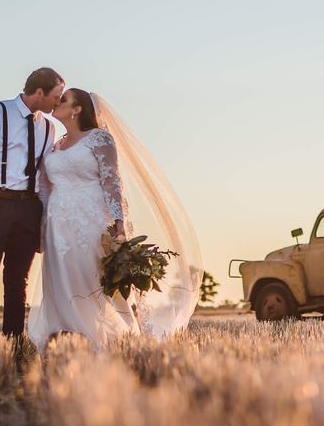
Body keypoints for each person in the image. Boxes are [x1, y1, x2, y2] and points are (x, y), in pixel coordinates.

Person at [27, 89, 201, 349]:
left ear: (77, 110)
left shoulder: (100, 140)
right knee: (61, 279)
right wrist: (41, 227)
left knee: (91, 279)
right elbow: (45, 188)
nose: (57, 102)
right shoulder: (55, 145)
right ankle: (64, 338)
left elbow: (112, 183)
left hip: (91, 220)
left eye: (64, 100)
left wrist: (118, 224)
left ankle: (108, 339)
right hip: (57, 224)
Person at [0, 67, 64, 340]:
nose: (59, 102)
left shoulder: (49, 127)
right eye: (56, 96)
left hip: (29, 208)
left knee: (18, 284)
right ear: (39, 92)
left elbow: (43, 179)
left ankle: (13, 344)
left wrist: (42, 224)